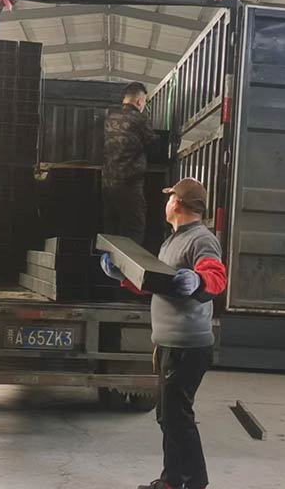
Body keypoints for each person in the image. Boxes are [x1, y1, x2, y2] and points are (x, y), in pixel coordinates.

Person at [100, 178, 228, 489]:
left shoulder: (201, 239)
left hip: (187, 346)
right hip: (168, 343)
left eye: (170, 197)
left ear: (178, 203)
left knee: (177, 417)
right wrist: (123, 276)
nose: (166, 202)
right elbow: (158, 285)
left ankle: (193, 483)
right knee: (168, 417)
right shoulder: (171, 242)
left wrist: (198, 281)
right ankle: (173, 481)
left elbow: (216, 276)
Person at [102, 81, 156, 245]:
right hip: (130, 184)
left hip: (108, 184)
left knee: (112, 232)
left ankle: (108, 261)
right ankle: (128, 262)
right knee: (134, 229)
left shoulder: (110, 118)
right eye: (144, 102)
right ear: (139, 101)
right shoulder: (139, 118)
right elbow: (153, 144)